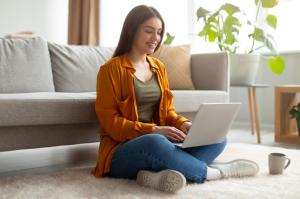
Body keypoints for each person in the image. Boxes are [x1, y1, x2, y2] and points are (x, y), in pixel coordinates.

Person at [92, 5, 259, 193]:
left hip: (158, 144)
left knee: (217, 137)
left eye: (159, 32)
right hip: (120, 153)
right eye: (148, 31)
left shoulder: (158, 67)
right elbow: (110, 123)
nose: (155, 38)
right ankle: (217, 172)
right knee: (156, 143)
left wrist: (184, 125)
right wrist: (154, 130)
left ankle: (152, 175)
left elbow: (168, 112)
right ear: (131, 30)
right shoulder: (110, 70)